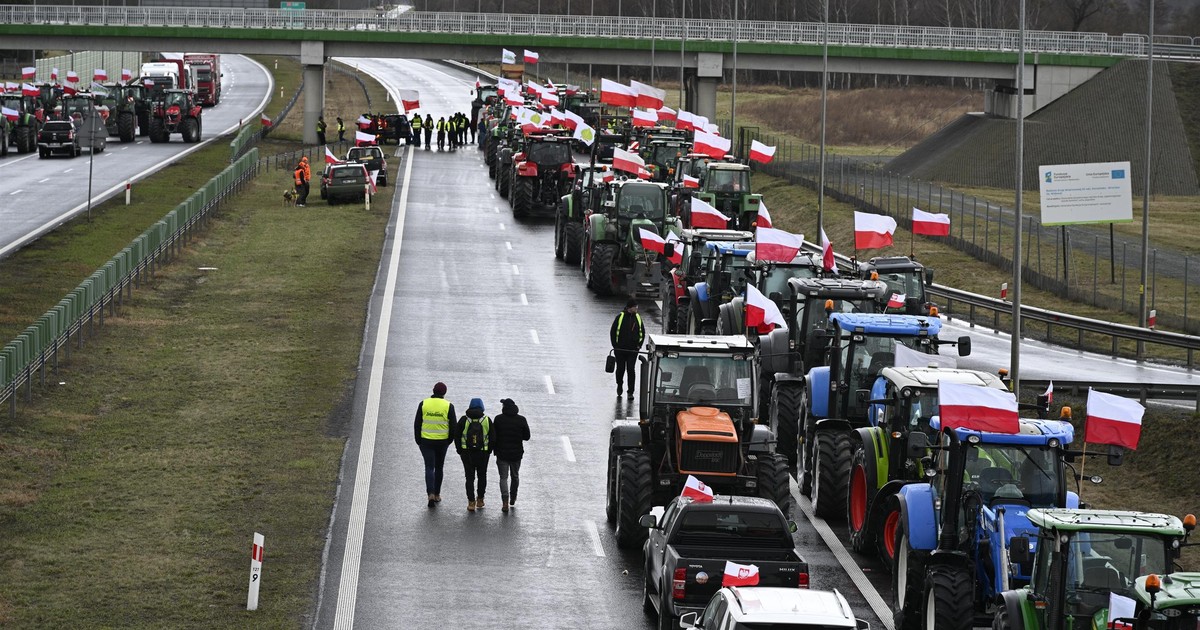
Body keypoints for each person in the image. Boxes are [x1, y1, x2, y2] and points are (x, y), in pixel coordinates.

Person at [414, 382, 456, 508]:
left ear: (433, 390)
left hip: (426, 440)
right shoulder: (449, 406)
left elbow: (417, 423)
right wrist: (449, 440)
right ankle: (437, 494)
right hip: (442, 442)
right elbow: (453, 426)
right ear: (444, 393)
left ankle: (430, 493)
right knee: (439, 467)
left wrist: (418, 440)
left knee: (429, 467)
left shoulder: (424, 403)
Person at [454, 398, 494, 511]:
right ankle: (480, 499)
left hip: (467, 453)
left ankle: (471, 502)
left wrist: (459, 450)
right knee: (482, 476)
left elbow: (456, 436)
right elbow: (493, 437)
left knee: (469, 477)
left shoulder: (464, 420)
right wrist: (489, 450)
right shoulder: (486, 420)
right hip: (483, 453)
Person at [493, 398, 530, 513]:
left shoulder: (498, 419)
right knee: (515, 476)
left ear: (504, 407)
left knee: (503, 478)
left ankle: (505, 501)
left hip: (502, 454)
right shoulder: (521, 419)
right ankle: (513, 496)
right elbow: (527, 436)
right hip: (516, 454)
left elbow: (494, 436)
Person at [609, 298, 645, 398]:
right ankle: (619, 384)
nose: (637, 308)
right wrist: (615, 346)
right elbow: (613, 332)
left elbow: (642, 332)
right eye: (635, 306)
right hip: (620, 350)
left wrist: (638, 346)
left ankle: (630, 392)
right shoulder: (620, 317)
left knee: (631, 369)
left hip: (633, 350)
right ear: (630, 308)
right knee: (620, 369)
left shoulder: (637, 317)